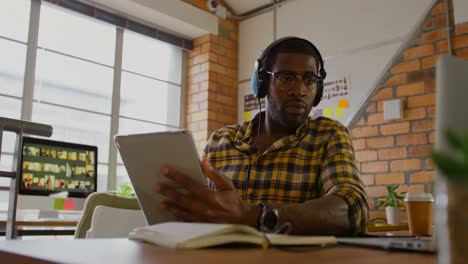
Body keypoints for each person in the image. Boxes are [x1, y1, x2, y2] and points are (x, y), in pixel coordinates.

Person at [155, 37, 368, 235]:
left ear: (318, 88)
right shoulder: (221, 140)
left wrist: (254, 216)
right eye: (286, 78)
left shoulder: (328, 135)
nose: (299, 90)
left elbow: (353, 206)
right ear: (262, 84)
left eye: (309, 79)